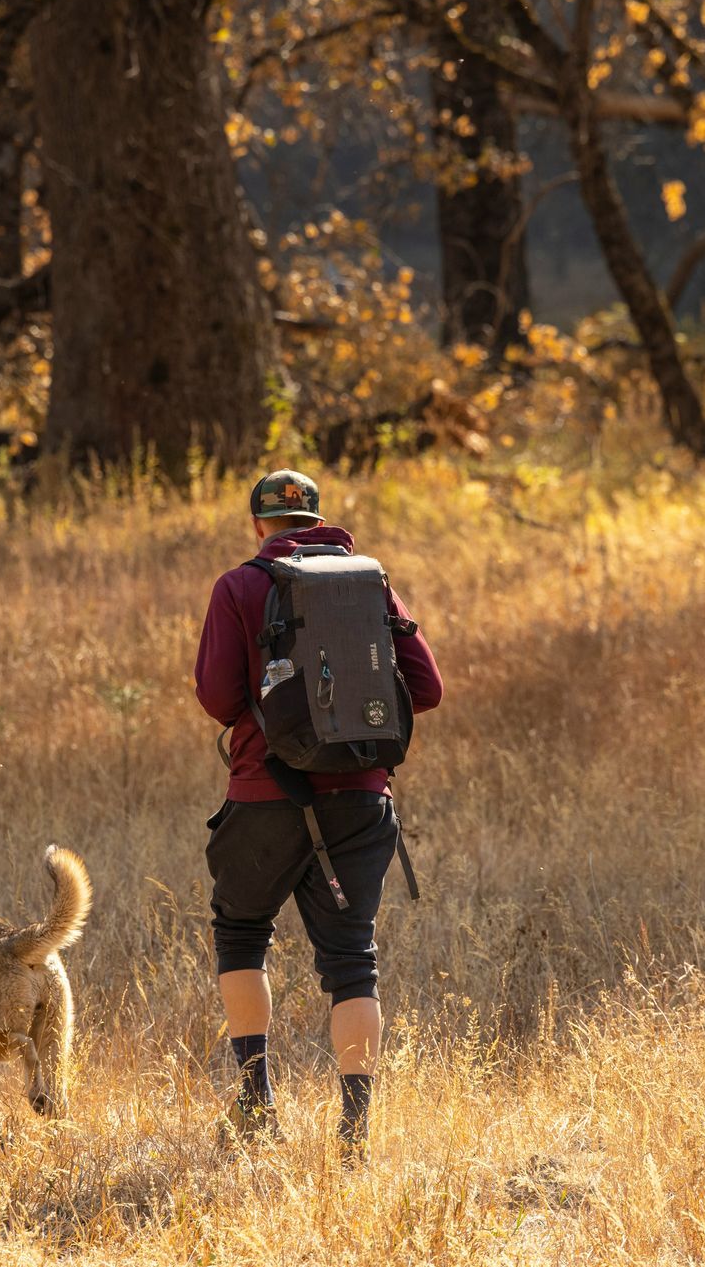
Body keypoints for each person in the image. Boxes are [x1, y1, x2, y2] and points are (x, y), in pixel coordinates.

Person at [193, 468, 443, 1158]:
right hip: (363, 798)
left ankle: (255, 1101)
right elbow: (426, 688)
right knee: (352, 961)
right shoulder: (369, 580)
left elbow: (218, 697)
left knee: (241, 932)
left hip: (263, 795)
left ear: (258, 525)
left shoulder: (240, 586)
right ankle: (355, 1133)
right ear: (320, 519)